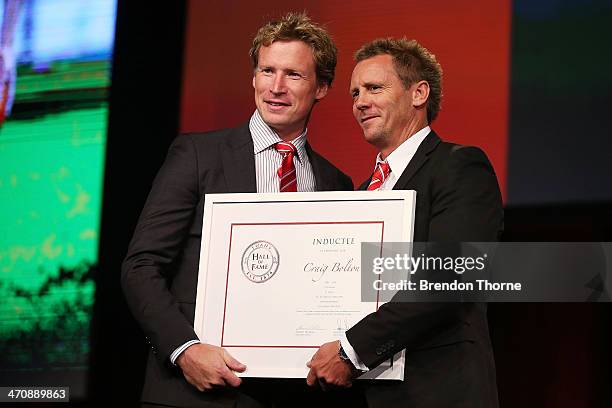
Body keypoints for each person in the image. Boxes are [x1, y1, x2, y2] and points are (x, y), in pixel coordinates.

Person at [122, 13, 353, 408]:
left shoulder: (336, 182)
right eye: (267, 70)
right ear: (254, 77)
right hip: (192, 393)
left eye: (294, 75)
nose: (276, 87)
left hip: (295, 396)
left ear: (323, 87)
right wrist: (184, 350)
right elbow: (141, 265)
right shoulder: (197, 154)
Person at [306, 37, 503, 407]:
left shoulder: (458, 167)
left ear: (419, 93)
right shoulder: (362, 193)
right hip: (362, 393)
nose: (360, 102)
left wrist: (350, 350)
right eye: (354, 93)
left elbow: (448, 278)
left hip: (435, 391)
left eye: (374, 88)